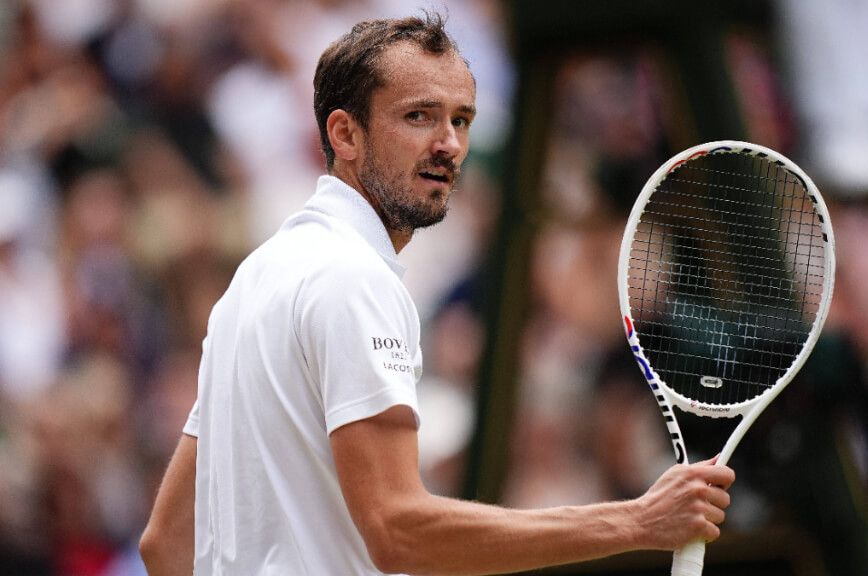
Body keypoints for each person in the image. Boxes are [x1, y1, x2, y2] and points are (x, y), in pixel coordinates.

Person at [139, 13, 735, 576]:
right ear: (345, 133)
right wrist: (635, 520)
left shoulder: (255, 278)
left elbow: (164, 544)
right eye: (419, 116)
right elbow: (398, 529)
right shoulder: (354, 278)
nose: (448, 143)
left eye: (462, 120)